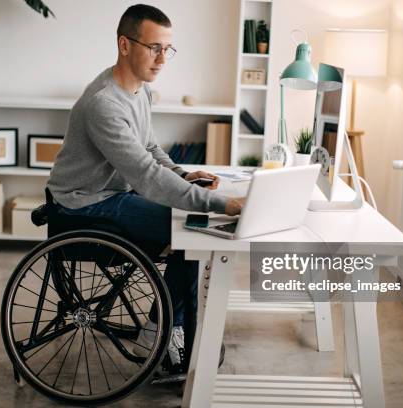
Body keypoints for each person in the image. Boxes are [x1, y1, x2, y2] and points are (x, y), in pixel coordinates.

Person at [47, 4, 244, 377]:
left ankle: (166, 327)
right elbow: (146, 175)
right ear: (124, 44)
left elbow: (151, 152)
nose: (162, 59)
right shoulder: (103, 103)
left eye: (167, 49)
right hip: (85, 203)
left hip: (115, 194)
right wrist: (225, 204)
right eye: (154, 47)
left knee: (192, 227)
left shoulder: (140, 92)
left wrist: (183, 175)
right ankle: (163, 333)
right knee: (193, 230)